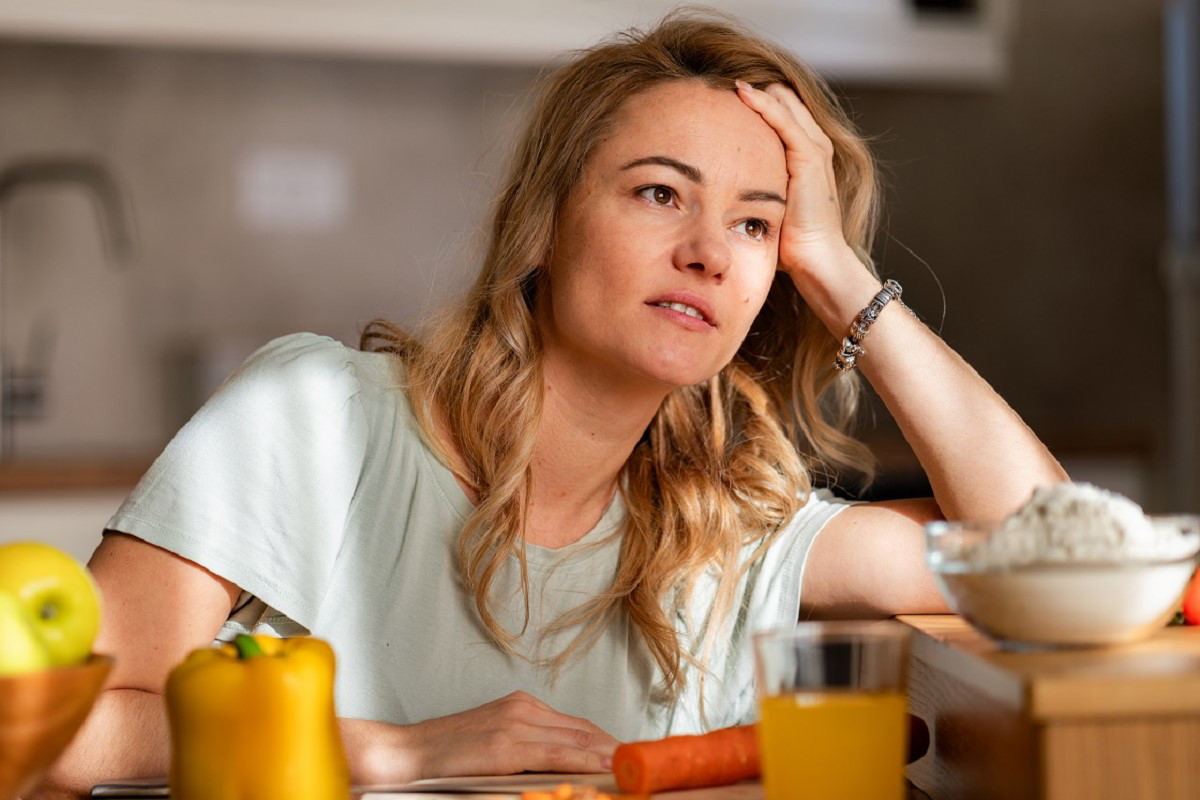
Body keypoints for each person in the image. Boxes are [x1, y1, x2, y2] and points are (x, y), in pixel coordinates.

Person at [36, 9, 1067, 799]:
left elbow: (1048, 550)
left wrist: (839, 271)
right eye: (660, 193)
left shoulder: (738, 532)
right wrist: (393, 750)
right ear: (543, 226)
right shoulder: (313, 421)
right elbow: (62, 732)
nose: (709, 251)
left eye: (756, 226)